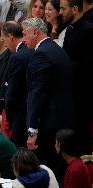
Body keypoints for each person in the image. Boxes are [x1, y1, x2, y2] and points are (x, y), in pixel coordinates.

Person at [22, 18, 74, 172]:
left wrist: (32, 130)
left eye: (25, 35)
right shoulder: (55, 48)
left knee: (46, 170)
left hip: (48, 124)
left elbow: (37, 93)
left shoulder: (41, 54)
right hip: (62, 119)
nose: (23, 40)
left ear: (35, 32)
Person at [61, 0, 93, 156]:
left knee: (82, 134)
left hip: (83, 94)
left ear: (74, 9)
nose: (60, 12)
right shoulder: (69, 30)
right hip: (70, 93)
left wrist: (64, 65)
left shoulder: (88, 29)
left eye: (63, 9)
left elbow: (88, 64)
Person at [1, 21, 34, 147]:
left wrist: (8, 118)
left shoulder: (18, 57)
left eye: (4, 39)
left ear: (10, 37)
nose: (4, 43)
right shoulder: (30, 50)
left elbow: (12, 92)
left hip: (20, 116)